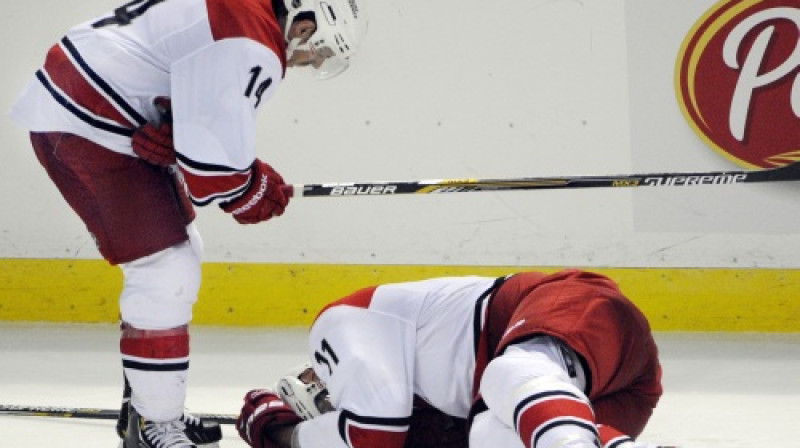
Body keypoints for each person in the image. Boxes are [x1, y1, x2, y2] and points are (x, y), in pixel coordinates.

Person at [8, 0, 367, 447]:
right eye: (318, 50)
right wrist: (251, 189)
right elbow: (214, 169)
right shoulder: (254, 39)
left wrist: (182, 133)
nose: (309, 60)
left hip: (95, 107)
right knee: (166, 271)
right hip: (86, 123)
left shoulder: (242, 11)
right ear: (305, 23)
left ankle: (147, 408)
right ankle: (156, 424)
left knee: (182, 254)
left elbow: (185, 93)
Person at [235, 269, 668, 448]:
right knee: (489, 437)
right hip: (593, 396)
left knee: (509, 372)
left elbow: (372, 432)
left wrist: (284, 436)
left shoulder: (339, 320)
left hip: (574, 306)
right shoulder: (425, 411)